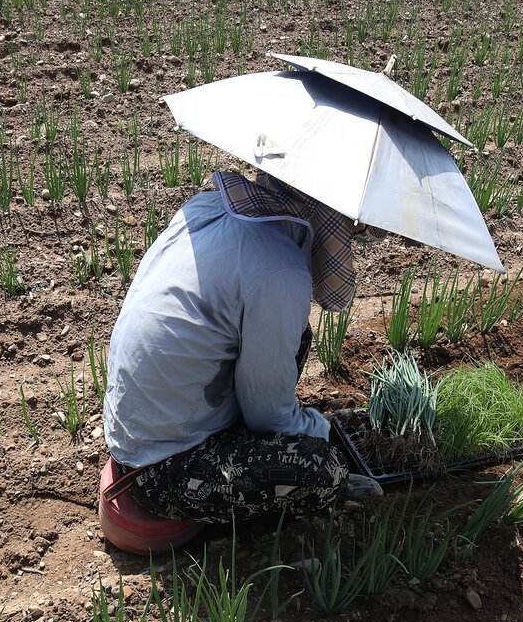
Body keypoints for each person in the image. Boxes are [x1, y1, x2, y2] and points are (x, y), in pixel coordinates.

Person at [102, 168, 383, 524]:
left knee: (296, 335)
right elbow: (269, 416)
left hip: (137, 428)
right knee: (325, 471)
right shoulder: (280, 269)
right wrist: (325, 433)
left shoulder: (208, 207)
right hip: (161, 469)